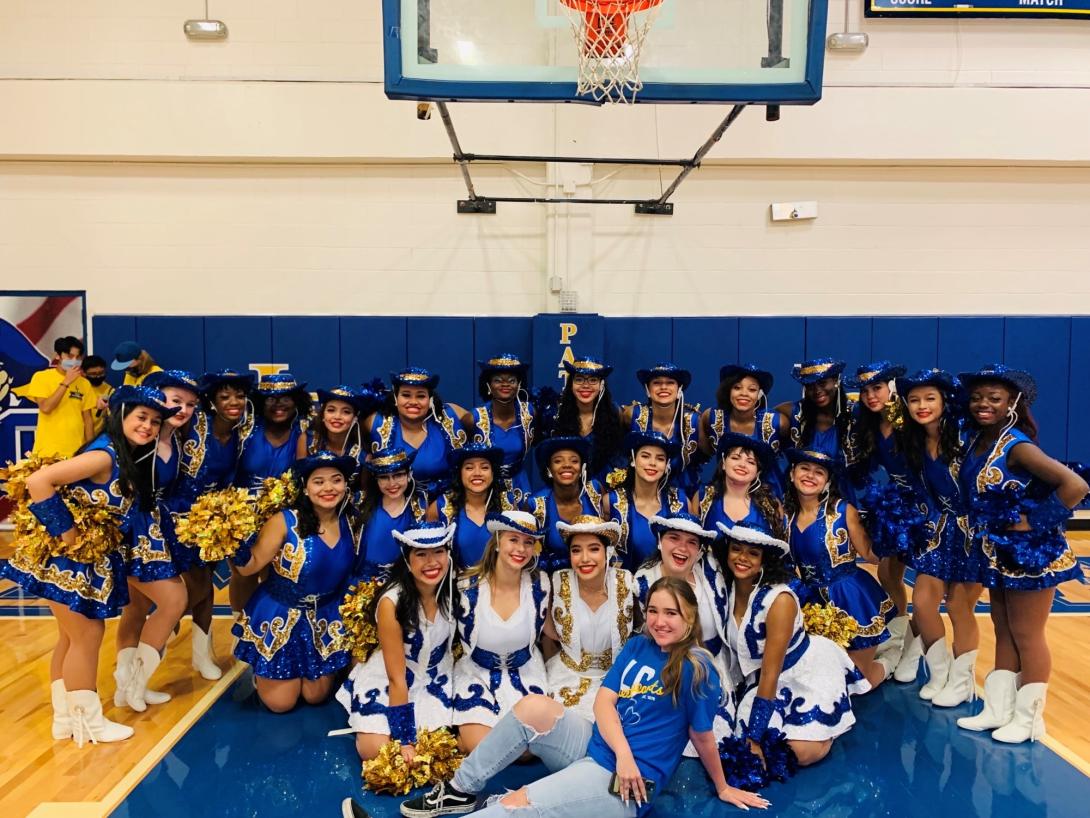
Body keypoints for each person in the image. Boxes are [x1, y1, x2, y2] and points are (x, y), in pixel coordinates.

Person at [395, 576, 768, 818]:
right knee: (532, 708)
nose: (659, 621)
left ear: (690, 618)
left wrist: (722, 786)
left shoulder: (698, 669)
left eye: (671, 613)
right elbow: (604, 702)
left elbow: (702, 737)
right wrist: (621, 751)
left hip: (627, 783)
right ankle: (461, 790)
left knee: (518, 803)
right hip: (602, 747)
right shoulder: (639, 645)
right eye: (653, 610)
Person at [0, 385, 178, 746]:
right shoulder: (105, 455)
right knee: (87, 636)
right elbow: (38, 481)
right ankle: (90, 724)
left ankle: (65, 720)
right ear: (121, 416)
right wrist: (69, 534)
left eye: (155, 421)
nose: (147, 426)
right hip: (69, 561)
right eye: (141, 417)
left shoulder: (124, 455)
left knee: (69, 638)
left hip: (78, 562)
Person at [955, 365, 1087, 743]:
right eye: (978, 397)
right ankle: (999, 709)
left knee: (1028, 634)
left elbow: (1074, 485)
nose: (983, 404)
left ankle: (1030, 720)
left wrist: (1034, 522)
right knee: (1003, 627)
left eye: (994, 398)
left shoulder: (1017, 445)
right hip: (1000, 552)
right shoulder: (979, 440)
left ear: (1012, 403)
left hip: (1032, 555)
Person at [720, 524, 869, 771]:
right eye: (736, 549)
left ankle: (887, 662)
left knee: (799, 753)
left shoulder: (780, 600)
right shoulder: (725, 589)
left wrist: (755, 737)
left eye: (753, 553)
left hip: (804, 669)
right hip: (760, 680)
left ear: (765, 560)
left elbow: (771, 672)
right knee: (744, 748)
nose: (742, 558)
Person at [233, 451, 358, 713]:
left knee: (316, 697)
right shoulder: (284, 521)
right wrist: (229, 540)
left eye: (336, 480)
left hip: (325, 619)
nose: (328, 488)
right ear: (305, 487)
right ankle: (262, 674)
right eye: (318, 481)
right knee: (281, 704)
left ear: (345, 485)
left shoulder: (352, 521)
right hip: (281, 617)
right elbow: (250, 567)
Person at [894, 369, 981, 704]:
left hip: (973, 533)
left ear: (945, 401)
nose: (921, 406)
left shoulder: (966, 435)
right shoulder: (913, 440)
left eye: (930, 398)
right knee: (924, 603)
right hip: (938, 530)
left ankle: (961, 682)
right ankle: (939, 670)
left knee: (960, 607)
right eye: (914, 400)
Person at [336, 521, 456, 761]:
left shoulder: (454, 589)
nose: (432, 562)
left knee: (437, 749)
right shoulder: (392, 602)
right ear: (406, 557)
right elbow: (396, 677)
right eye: (421, 554)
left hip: (436, 677)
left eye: (439, 552)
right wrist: (404, 740)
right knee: (377, 752)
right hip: (394, 677)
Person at [112, 371, 195, 712]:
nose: (183, 409)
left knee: (135, 608)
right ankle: (134, 683)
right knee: (174, 601)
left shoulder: (173, 438)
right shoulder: (142, 436)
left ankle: (126, 688)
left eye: (190, 404)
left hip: (158, 529)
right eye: (176, 401)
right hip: (135, 532)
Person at [784, 448, 893, 688]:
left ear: (827, 481)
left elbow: (871, 555)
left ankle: (891, 660)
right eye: (804, 468)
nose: (810, 476)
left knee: (854, 683)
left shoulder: (843, 511)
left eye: (819, 472)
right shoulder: (785, 516)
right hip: (811, 604)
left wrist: (889, 530)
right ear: (792, 473)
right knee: (819, 682)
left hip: (852, 599)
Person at [451, 510, 550, 753]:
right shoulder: (466, 586)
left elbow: (551, 631)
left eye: (528, 542)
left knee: (528, 752)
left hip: (525, 675)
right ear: (497, 542)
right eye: (513, 540)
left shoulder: (541, 584)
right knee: (482, 748)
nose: (521, 549)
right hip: (477, 676)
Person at [633, 511, 732, 754]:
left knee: (714, 743)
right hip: (665, 673)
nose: (682, 548)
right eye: (674, 538)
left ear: (699, 551)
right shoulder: (641, 583)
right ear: (659, 541)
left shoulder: (711, 573)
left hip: (711, 670)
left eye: (691, 542)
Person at [849, 361, 915, 670]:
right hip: (896, 504)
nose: (870, 396)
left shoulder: (909, 420)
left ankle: (906, 643)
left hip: (921, 506)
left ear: (891, 387)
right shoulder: (873, 425)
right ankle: (898, 637)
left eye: (877, 388)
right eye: (864, 391)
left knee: (918, 583)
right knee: (888, 574)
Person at [543, 516, 637, 721]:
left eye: (594, 549)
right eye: (576, 550)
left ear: (607, 552)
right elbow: (548, 631)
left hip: (617, 681)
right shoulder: (557, 582)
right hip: (566, 678)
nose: (584, 558)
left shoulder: (628, 582)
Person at [365, 367, 469, 501]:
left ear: (430, 400)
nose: (413, 402)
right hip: (395, 505)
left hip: (445, 506)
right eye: (406, 395)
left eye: (421, 396)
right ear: (396, 398)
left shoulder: (451, 416)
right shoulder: (376, 422)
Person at [702, 364, 789, 497]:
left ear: (760, 394)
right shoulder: (711, 418)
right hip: (727, 493)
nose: (744, 394)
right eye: (737, 387)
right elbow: (704, 452)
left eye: (752, 389)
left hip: (771, 493)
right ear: (728, 390)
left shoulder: (777, 423)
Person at [778, 359, 858, 501]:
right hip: (796, 500)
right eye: (810, 386)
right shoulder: (791, 412)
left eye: (822, 383)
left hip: (839, 501)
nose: (817, 391)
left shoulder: (854, 414)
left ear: (835, 381)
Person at [606, 431, 687, 571]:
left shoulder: (680, 501)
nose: (652, 463)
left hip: (670, 587)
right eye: (645, 456)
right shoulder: (611, 502)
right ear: (633, 460)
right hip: (627, 588)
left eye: (660, 458)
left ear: (667, 465)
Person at [524, 436, 605, 573]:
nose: (567, 465)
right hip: (552, 579)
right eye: (558, 461)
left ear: (582, 468)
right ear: (549, 469)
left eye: (574, 461)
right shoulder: (536, 504)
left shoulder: (595, 492)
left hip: (594, 573)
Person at [621, 363, 704, 494]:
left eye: (670, 382)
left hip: (684, 494)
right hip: (639, 494)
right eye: (657, 383)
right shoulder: (631, 415)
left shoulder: (695, 421)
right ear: (647, 389)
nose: (663, 387)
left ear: (679, 389)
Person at [430, 443, 511, 569]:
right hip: (457, 585)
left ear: (493, 473)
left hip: (499, 583)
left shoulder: (508, 505)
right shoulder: (441, 507)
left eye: (484, 468)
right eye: (469, 468)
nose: (477, 473)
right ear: (459, 473)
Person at [469, 354, 536, 505]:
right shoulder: (475, 418)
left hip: (520, 486)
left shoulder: (529, 413)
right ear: (488, 384)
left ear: (519, 384)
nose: (505, 384)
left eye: (511, 380)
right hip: (485, 489)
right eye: (498, 380)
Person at [354, 446, 428, 582]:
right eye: (384, 477)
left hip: (405, 582)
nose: (392, 483)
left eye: (398, 475)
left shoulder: (420, 506)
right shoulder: (360, 503)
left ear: (409, 475)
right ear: (376, 480)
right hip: (364, 583)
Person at [13, 335, 95, 457]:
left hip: (76, 452)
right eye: (70, 356)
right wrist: (66, 382)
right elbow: (46, 408)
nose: (74, 360)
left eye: (78, 357)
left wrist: (91, 449)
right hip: (48, 452)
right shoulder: (41, 377)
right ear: (58, 355)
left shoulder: (84, 383)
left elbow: (88, 420)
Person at [550, 355, 625, 483]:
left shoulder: (615, 414)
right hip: (566, 487)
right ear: (571, 384)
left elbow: (617, 461)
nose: (586, 385)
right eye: (579, 379)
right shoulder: (556, 415)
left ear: (601, 385)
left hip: (604, 488)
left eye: (593, 380)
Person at [696, 431, 785, 538]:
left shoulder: (771, 504)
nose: (742, 465)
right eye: (735, 458)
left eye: (751, 462)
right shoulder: (702, 497)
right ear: (723, 463)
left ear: (758, 472)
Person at [298, 385, 375, 494]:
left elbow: (365, 494)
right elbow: (300, 483)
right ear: (323, 414)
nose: (337, 416)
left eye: (346, 412)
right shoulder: (307, 440)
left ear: (355, 418)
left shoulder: (363, 455)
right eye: (331, 410)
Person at [81, 354, 114, 437]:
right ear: (83, 373)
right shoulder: (78, 388)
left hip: (96, 438)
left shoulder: (110, 390)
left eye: (101, 373)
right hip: (77, 437)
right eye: (93, 374)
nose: (98, 376)